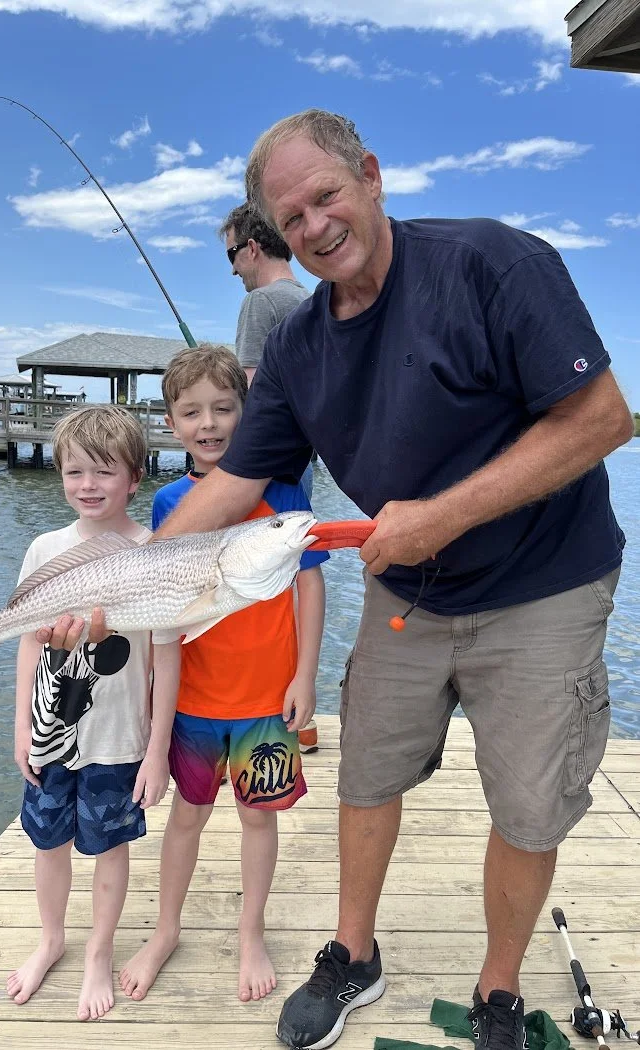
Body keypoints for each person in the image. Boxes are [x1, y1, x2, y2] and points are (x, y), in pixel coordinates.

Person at [147, 110, 633, 1050]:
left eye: (325, 195)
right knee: (366, 774)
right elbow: (238, 482)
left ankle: (498, 991)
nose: (315, 226)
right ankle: (354, 955)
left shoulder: (493, 264)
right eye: (291, 219)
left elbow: (604, 419)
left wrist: (440, 515)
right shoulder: (294, 348)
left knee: (529, 805)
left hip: (546, 582)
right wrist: (104, 571)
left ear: (370, 175)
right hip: (407, 589)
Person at [116, 344, 328, 1004]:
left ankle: (251, 933)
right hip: (196, 703)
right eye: (191, 412)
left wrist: (306, 677)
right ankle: (166, 930)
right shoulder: (170, 504)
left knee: (258, 821)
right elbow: (163, 612)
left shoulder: (287, 493)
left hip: (268, 699)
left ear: (248, 412)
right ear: (172, 424)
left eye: (223, 408)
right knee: (187, 817)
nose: (208, 424)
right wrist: (155, 708)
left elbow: (310, 590)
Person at [7, 404, 180, 1021]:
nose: (88, 484)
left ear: (136, 478)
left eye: (104, 471)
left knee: (110, 848)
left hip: (118, 739)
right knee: (47, 841)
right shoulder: (44, 549)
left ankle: (99, 953)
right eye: (75, 471)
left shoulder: (157, 552)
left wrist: (157, 750)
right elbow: (29, 640)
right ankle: (51, 938)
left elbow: (167, 660)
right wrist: (23, 726)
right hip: (54, 733)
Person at [220, 201, 316, 503]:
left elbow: (254, 392)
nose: (233, 270)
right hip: (302, 461)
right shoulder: (311, 300)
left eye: (231, 255)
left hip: (265, 465)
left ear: (251, 248)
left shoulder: (260, 301)